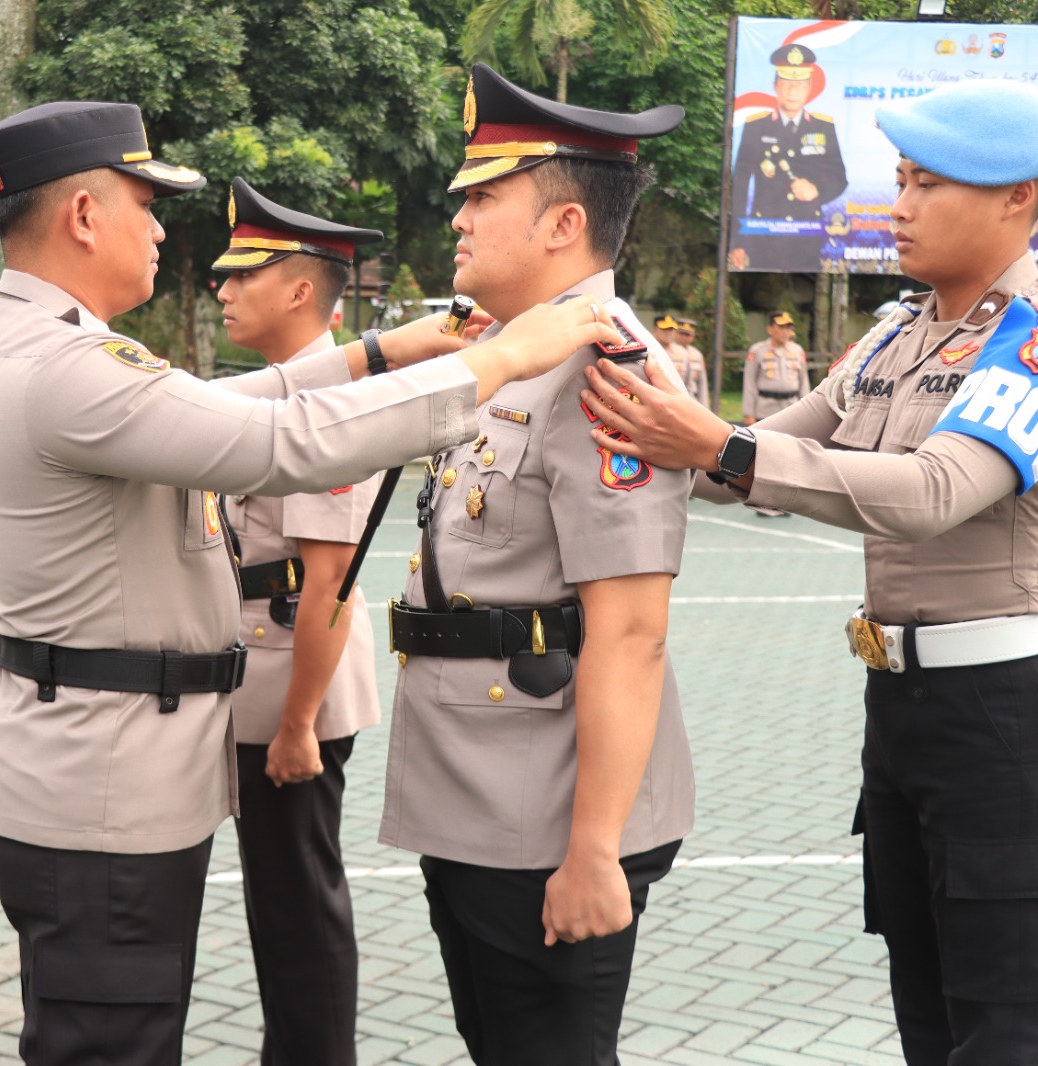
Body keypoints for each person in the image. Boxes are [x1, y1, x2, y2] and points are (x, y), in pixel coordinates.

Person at [0, 99, 624, 1066]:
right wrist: (505, 356)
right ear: (83, 216)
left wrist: (380, 353)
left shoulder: (42, 344)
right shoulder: (70, 365)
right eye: (147, 205)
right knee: (110, 1045)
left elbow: (214, 405)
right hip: (100, 785)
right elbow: (273, 445)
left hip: (91, 768)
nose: (158, 227)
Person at [581, 78, 1038, 1065]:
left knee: (1005, 1014)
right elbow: (747, 457)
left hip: (1007, 716)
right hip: (901, 709)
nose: (901, 207)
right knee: (923, 999)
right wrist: (629, 396)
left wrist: (720, 448)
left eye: (932, 185)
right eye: (901, 181)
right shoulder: (894, 331)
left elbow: (931, 492)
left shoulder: (1030, 336)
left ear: (1021, 197)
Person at [378, 64, 695, 1066]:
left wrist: (593, 849)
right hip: (474, 792)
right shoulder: (513, 356)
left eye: (483, 196)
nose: (458, 217)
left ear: (562, 226)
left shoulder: (605, 369)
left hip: (548, 816)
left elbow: (632, 632)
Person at [211, 176, 384, 1065]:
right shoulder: (275, 398)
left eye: (244, 274)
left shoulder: (330, 410)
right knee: (276, 904)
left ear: (302, 290)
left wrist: (298, 725)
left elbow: (329, 585)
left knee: (297, 906)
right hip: (257, 683)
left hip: (291, 695)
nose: (222, 289)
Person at [729, 44, 848, 272]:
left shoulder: (824, 127)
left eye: (800, 84)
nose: (793, 91)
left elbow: (840, 179)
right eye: (786, 84)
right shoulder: (755, 127)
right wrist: (737, 241)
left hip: (807, 234)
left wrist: (817, 190)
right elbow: (740, 187)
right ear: (775, 86)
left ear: (809, 88)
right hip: (764, 234)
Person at [742, 310, 809, 425]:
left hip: (791, 410)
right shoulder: (758, 351)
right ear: (770, 329)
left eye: (788, 328)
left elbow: (804, 383)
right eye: (781, 327)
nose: (786, 332)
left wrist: (807, 411)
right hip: (765, 411)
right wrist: (749, 413)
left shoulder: (797, 351)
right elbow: (749, 383)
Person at [674, 317, 710, 406]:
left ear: (693, 336)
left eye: (687, 334)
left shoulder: (697, 355)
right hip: (674, 397)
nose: (684, 337)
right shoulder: (667, 351)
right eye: (681, 333)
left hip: (692, 399)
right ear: (675, 333)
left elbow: (702, 382)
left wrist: (704, 407)